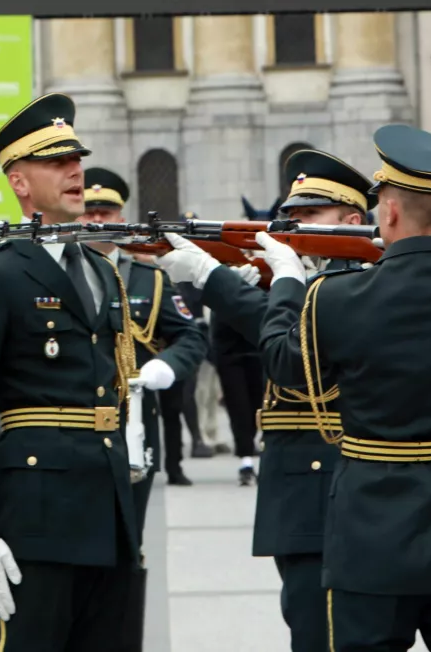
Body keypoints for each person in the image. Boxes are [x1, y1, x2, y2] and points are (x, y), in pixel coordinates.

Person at [252, 125, 431, 650]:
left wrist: (286, 282)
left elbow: (283, 364)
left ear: (390, 212)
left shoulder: (334, 298)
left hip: (370, 538)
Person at [0, 93, 141, 652]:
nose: (76, 171)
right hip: (37, 518)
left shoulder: (98, 267)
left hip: (109, 512)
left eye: (76, 159)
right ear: (20, 183)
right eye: (56, 163)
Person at [156, 148, 375, 651]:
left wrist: (216, 281)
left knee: (335, 632)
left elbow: (297, 348)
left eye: (309, 216)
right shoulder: (306, 278)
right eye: (290, 216)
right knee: (308, 621)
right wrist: (266, 283)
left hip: (335, 476)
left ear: (353, 221)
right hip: (298, 481)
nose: (293, 227)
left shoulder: (362, 282)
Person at [77, 167, 208, 651]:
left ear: (122, 216)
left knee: (127, 537)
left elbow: (193, 333)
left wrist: (169, 367)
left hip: (131, 422)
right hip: (69, 423)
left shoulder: (149, 279)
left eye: (105, 211)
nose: (96, 219)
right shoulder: (54, 271)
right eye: (89, 211)